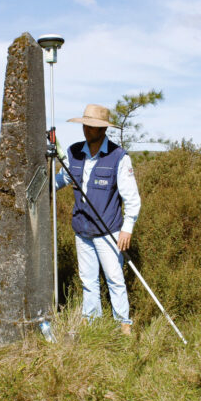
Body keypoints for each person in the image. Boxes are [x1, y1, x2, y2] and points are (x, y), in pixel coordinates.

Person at [56, 104, 141, 335]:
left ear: (103, 130)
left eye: (92, 126)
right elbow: (61, 179)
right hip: (82, 230)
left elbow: (132, 198)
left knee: (115, 279)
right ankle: (91, 322)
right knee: (88, 280)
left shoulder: (118, 157)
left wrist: (127, 228)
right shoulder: (73, 153)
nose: (86, 129)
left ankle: (123, 324)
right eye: (85, 124)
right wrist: (47, 184)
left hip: (109, 231)